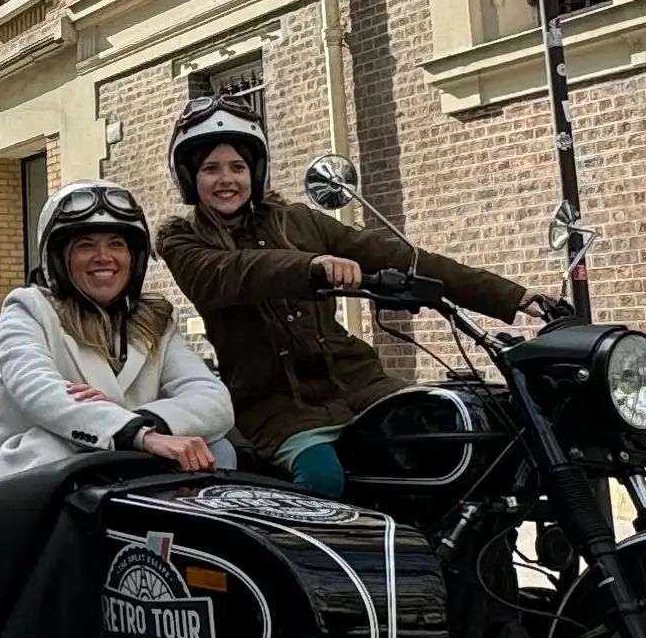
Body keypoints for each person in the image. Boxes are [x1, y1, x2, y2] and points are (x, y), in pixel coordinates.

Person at [153, 96, 534, 484]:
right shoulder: (183, 244)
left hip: (360, 382)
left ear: (256, 171)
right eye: (210, 169)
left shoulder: (298, 222)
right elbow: (232, 273)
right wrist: (311, 266)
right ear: (189, 177)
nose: (226, 179)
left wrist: (511, 296)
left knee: (454, 441)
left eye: (238, 167)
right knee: (323, 478)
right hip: (275, 404)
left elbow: (395, 255)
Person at [0, 181, 234, 484]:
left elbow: (213, 400)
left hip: (127, 469)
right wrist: (133, 433)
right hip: (28, 482)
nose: (104, 257)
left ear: (134, 257)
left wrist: (139, 426)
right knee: (53, 444)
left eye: (116, 244)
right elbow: (40, 391)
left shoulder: (156, 321)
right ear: (60, 259)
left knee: (217, 449)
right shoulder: (28, 309)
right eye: (86, 245)